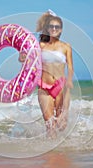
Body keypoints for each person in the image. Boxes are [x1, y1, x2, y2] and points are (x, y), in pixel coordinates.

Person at [19, 10, 74, 138]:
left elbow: (70, 67)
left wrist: (70, 80)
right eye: (51, 26)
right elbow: (23, 59)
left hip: (61, 87)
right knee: (50, 125)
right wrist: (22, 56)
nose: (54, 29)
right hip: (44, 87)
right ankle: (52, 154)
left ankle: (60, 149)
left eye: (57, 27)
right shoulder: (40, 46)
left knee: (62, 125)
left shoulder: (66, 47)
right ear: (47, 29)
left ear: (61, 29)